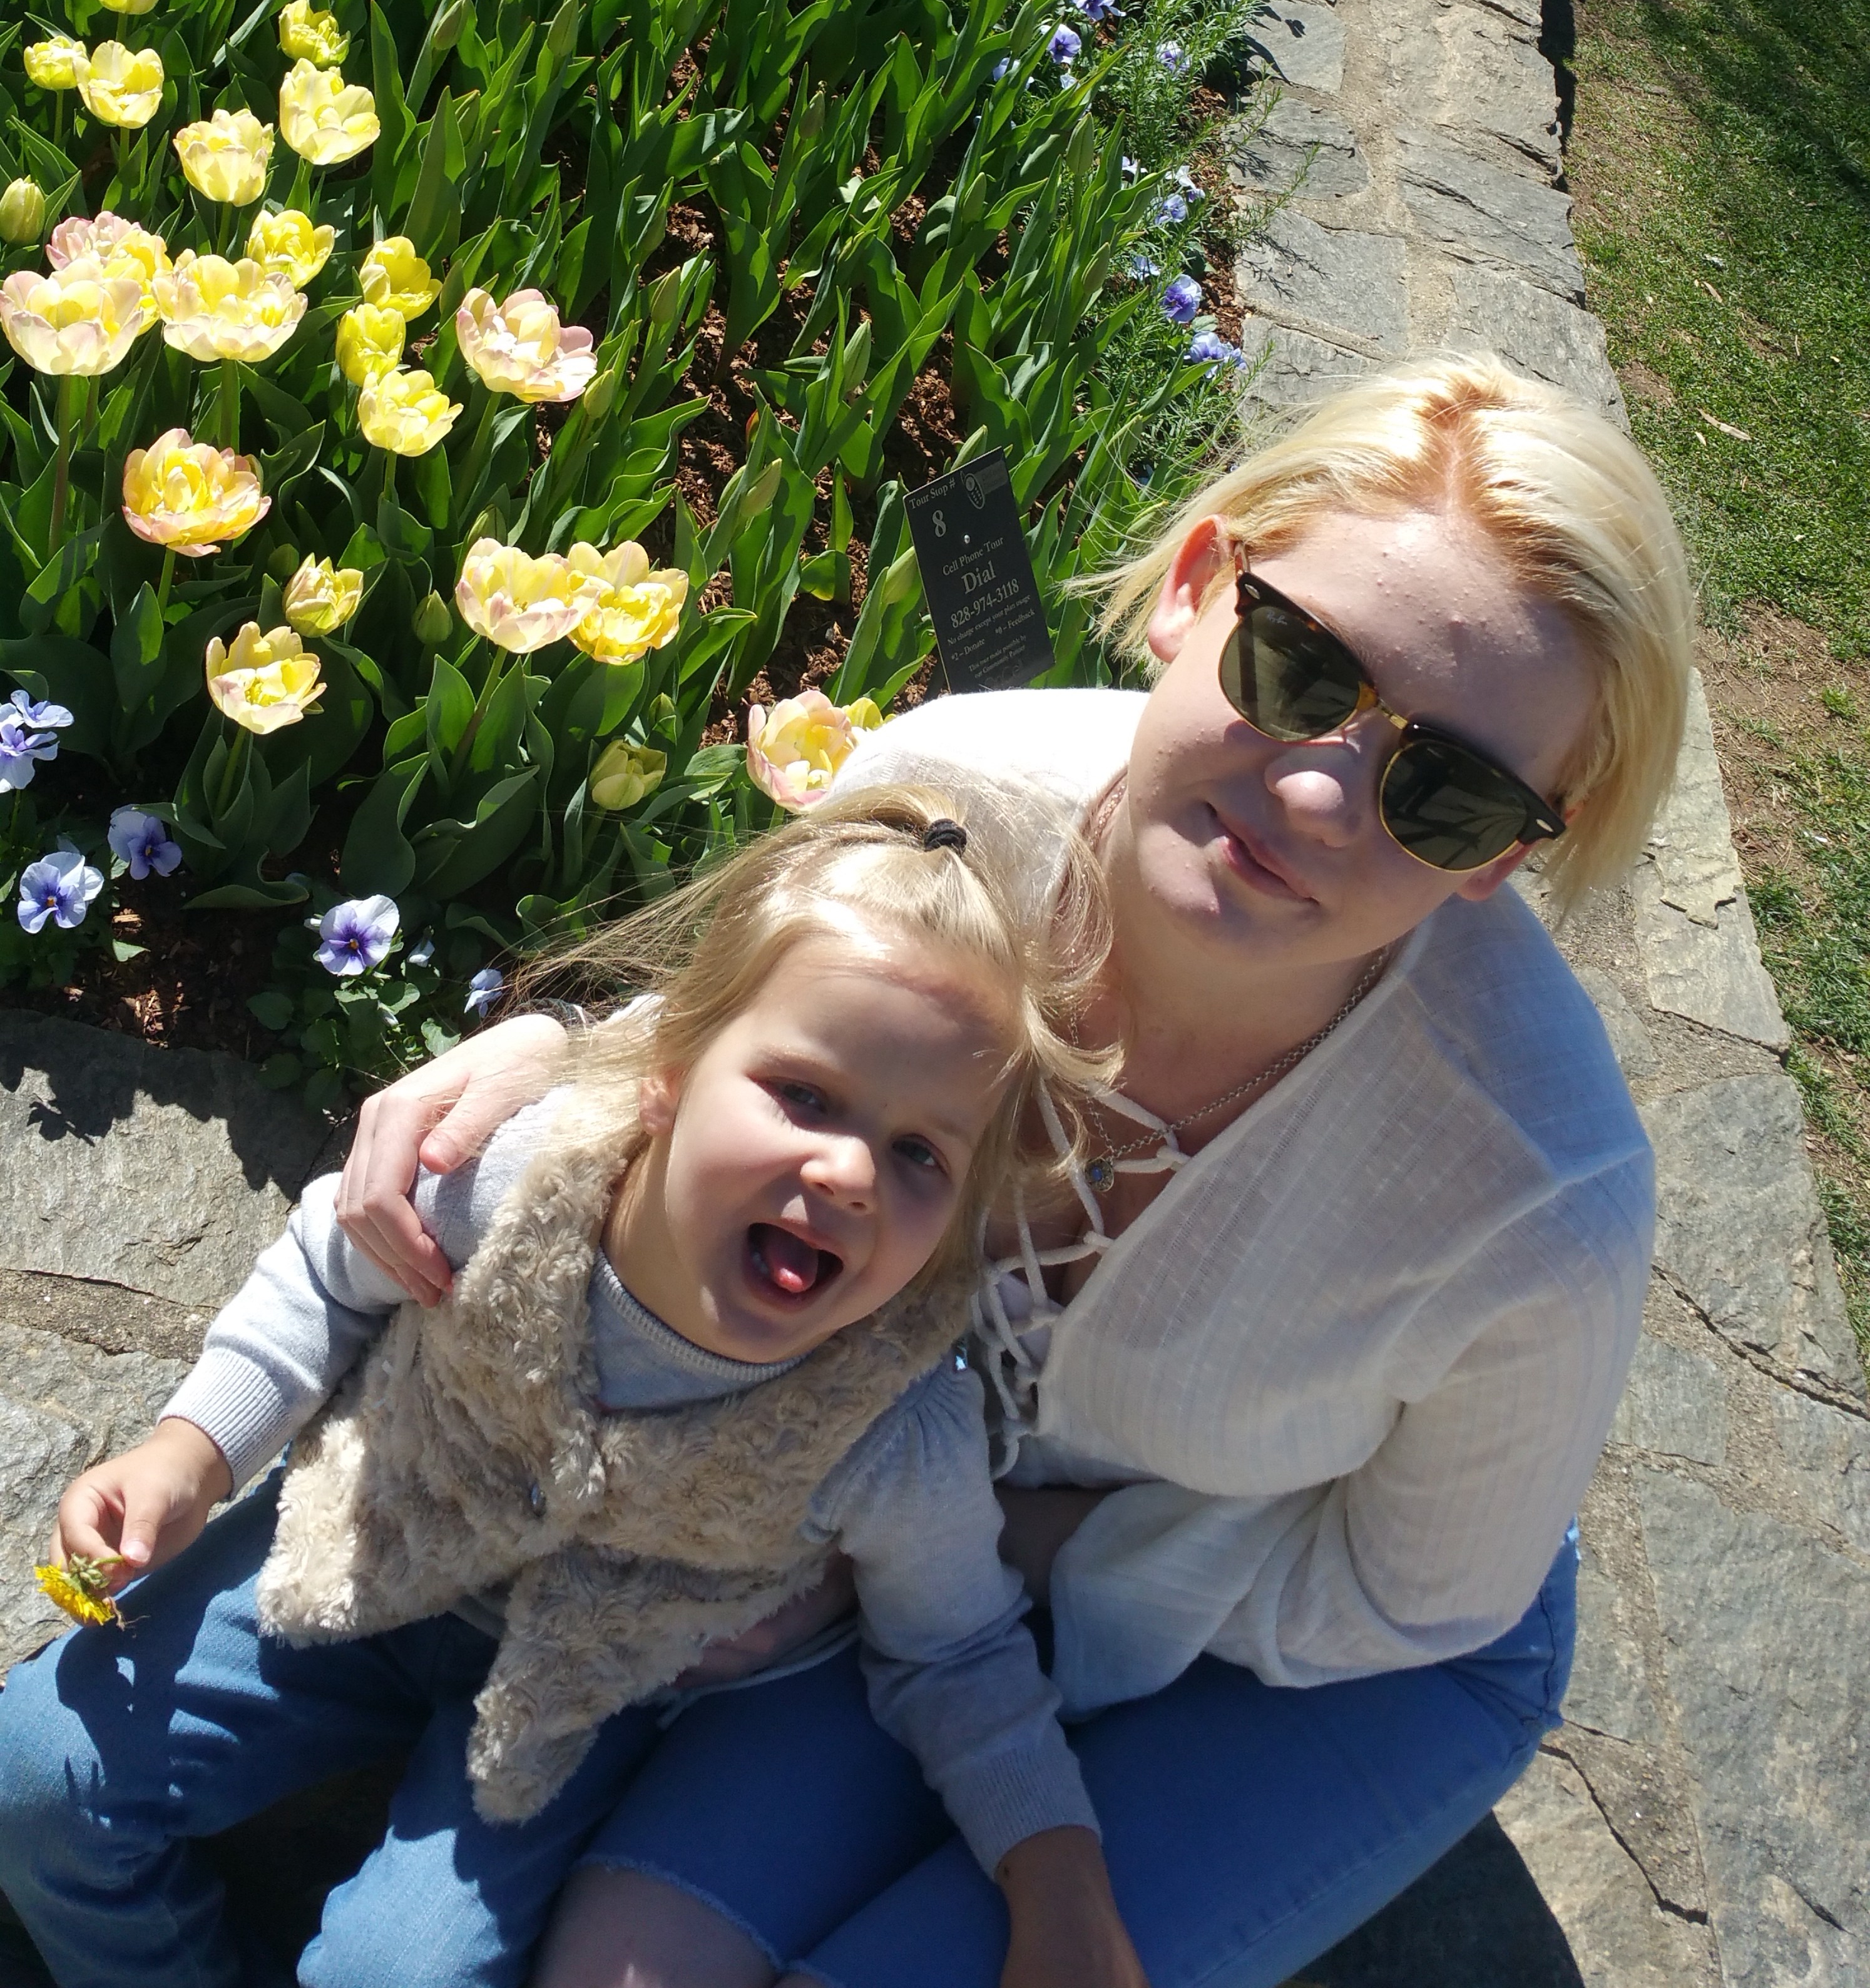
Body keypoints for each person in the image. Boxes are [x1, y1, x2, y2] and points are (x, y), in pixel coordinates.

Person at [330, 351, 1693, 1988]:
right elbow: (767, 1027)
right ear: (1195, 587)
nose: (1319, 788)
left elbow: (1410, 1602)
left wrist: (952, 1535)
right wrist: (556, 1060)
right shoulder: (954, 798)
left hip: (1338, 1622)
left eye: (1450, 791)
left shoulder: (1533, 1197)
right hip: (946, 1555)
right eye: (1299, 664)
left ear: (1505, 859)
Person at [0, 788, 1148, 1988]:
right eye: (805, 1095)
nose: (851, 1172)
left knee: (395, 1978)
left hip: (581, 1689)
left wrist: (1055, 1870)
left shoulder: (889, 1422)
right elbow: (330, 1275)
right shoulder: (513, 1179)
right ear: (668, 1075)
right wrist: (192, 1449)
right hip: (374, 1522)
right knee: (41, 1770)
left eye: (921, 1154)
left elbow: (955, 1651)